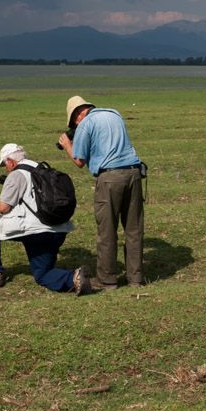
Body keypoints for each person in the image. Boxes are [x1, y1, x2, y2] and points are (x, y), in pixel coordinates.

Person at [0, 143, 90, 295]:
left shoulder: (16, 174)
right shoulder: (43, 169)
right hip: (59, 228)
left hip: (36, 231)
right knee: (42, 274)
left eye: (4, 164)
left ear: (10, 161)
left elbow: (3, 208)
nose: (5, 168)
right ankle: (73, 278)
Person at [57, 96, 144, 289]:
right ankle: (136, 279)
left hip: (110, 178)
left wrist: (67, 145)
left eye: (73, 123)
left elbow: (79, 161)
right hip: (134, 173)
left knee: (107, 231)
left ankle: (107, 279)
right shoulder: (114, 114)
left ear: (77, 116)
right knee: (134, 229)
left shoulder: (86, 123)